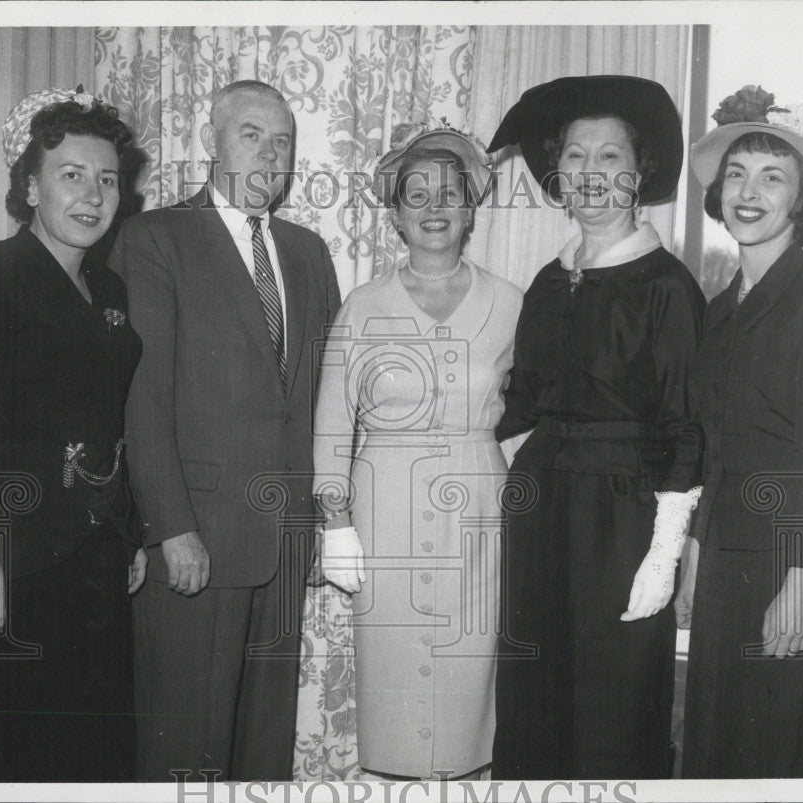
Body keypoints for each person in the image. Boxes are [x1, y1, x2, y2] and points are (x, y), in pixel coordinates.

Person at [110, 80, 341, 781]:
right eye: (251, 134)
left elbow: (319, 398)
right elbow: (142, 397)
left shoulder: (307, 251)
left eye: (283, 142)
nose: (270, 154)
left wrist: (328, 521)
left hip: (284, 539)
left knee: (261, 749)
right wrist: (170, 526)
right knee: (184, 744)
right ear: (211, 141)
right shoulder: (155, 238)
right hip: (196, 541)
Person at [0, 87, 147, 782]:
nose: (93, 194)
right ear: (30, 185)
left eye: (107, 179)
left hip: (95, 555)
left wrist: (129, 528)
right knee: (8, 756)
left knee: (94, 753)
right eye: (71, 175)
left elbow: (109, 422)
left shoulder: (110, 291)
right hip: (8, 555)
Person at [486, 75, 706, 779]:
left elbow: (686, 422)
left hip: (622, 517)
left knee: (613, 704)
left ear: (638, 175)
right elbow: (519, 405)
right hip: (540, 508)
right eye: (576, 157)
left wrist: (664, 552)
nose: (590, 173)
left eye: (610, 157)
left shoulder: (667, 286)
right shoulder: (548, 283)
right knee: (533, 693)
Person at [310, 120, 522, 780]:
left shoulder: (514, 304)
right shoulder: (364, 307)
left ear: (471, 209)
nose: (434, 208)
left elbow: (541, 413)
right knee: (395, 680)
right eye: (417, 194)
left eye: (449, 194)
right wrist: (334, 521)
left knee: (470, 677)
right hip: (385, 510)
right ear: (396, 215)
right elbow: (330, 422)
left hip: (477, 513)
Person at [678, 85, 803, 778]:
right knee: (714, 740)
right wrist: (696, 548)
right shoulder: (719, 310)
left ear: (799, 200)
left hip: (789, 559)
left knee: (773, 750)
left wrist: (801, 575)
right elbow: (711, 444)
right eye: (736, 174)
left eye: (771, 176)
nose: (748, 192)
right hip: (724, 555)